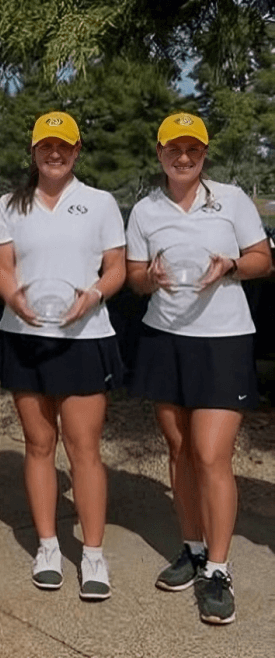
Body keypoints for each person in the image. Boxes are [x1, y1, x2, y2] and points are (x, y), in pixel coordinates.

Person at [126, 112, 272, 625]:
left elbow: (262, 259)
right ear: (160, 153)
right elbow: (134, 277)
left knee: (211, 454)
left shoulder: (231, 199)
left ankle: (218, 568)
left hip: (223, 340)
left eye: (193, 150)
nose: (183, 157)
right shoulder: (145, 209)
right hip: (165, 338)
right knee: (180, 451)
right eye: (174, 149)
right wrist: (150, 277)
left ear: (204, 154)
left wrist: (230, 266)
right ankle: (191, 549)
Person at [0, 111, 126, 601]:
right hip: (25, 333)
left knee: (83, 446)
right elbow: (3, 268)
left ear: (77, 150)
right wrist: (13, 298)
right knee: (38, 443)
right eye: (45, 146)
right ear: (33, 152)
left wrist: (94, 295)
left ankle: (92, 553)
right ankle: (48, 546)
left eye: (63, 146)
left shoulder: (100, 203)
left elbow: (115, 268)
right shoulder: (10, 204)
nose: (54, 154)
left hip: (84, 336)